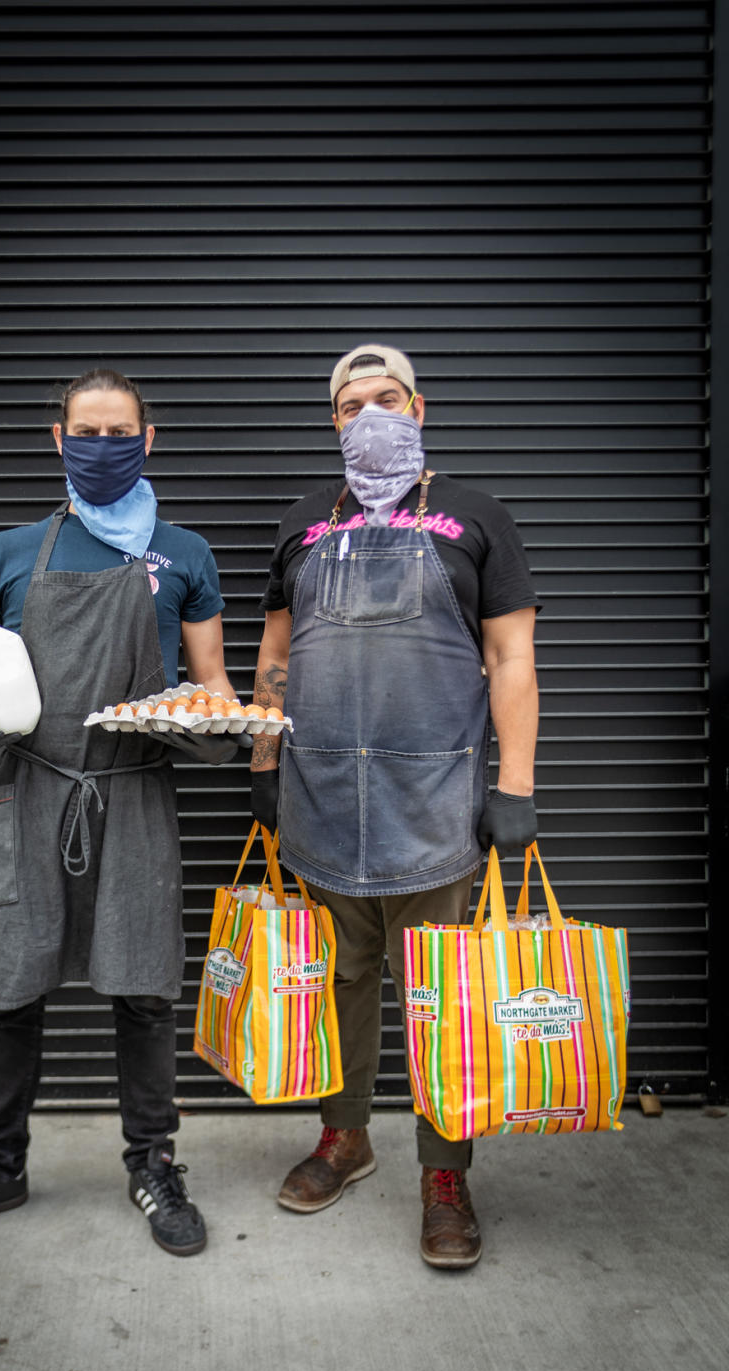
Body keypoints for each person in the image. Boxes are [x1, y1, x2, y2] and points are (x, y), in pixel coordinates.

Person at [0, 367, 240, 1257]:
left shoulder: (184, 554)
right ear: (58, 439)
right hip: (27, 790)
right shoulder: (8, 553)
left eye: (120, 431)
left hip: (133, 790)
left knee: (145, 992)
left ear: (148, 439)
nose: (103, 446)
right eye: (86, 431)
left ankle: (153, 1165)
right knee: (10, 990)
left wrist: (227, 733)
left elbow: (212, 687)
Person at [250, 344, 539, 1270]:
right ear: (332, 422)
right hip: (324, 800)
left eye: (386, 399)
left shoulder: (475, 518)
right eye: (350, 406)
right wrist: (263, 758)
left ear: (420, 407)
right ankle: (347, 1138)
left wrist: (515, 790)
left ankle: (444, 1177)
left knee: (441, 1001)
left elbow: (511, 661)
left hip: (433, 807)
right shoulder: (304, 522)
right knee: (341, 988)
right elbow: (274, 660)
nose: (369, 415)